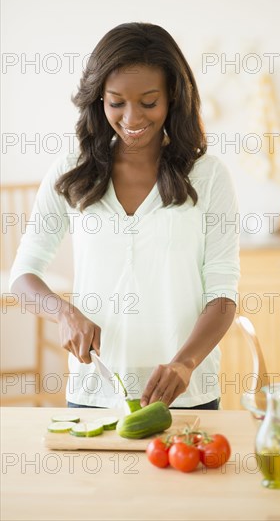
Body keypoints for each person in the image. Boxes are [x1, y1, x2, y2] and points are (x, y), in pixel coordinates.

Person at [10, 22, 240, 410]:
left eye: (149, 102)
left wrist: (185, 363)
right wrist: (63, 313)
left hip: (184, 395)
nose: (132, 118)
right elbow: (23, 276)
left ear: (173, 99)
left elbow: (222, 294)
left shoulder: (209, 175)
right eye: (117, 102)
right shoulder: (72, 170)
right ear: (99, 98)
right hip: (94, 391)